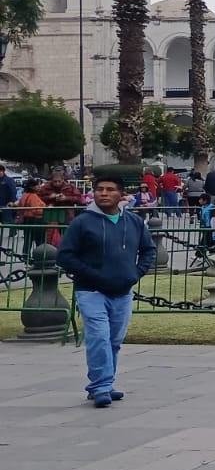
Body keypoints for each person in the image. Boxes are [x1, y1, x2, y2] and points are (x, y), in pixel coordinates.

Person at [56, 174, 157, 408]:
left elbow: (148, 251)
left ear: (120, 194)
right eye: (100, 189)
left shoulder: (133, 222)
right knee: (98, 337)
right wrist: (91, 274)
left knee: (114, 340)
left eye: (110, 189)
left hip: (122, 291)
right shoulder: (82, 222)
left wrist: (135, 274)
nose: (104, 193)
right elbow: (65, 255)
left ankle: (104, 383)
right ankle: (101, 386)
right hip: (91, 291)